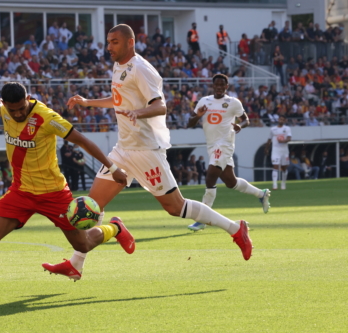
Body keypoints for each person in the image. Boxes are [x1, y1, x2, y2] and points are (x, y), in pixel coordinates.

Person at [43, 24, 253, 282]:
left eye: (115, 42)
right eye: (108, 42)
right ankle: (78, 263)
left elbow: (160, 106)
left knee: (176, 208)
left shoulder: (141, 69)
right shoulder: (119, 65)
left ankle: (236, 229)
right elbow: (120, 100)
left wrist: (138, 113)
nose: (109, 47)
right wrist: (88, 102)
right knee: (93, 205)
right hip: (122, 150)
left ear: (130, 42)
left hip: (145, 151)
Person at [0, 82, 133, 305]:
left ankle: (116, 227)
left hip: (54, 193)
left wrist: (113, 169)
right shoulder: (3, 109)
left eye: (21, 108)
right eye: (12, 109)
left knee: (82, 245)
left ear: (28, 99)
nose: (17, 113)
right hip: (20, 191)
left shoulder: (47, 117)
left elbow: (82, 141)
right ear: (5, 104)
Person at [186, 74, 270, 231]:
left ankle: (202, 219)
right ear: (213, 86)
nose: (219, 87)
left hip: (224, 145)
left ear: (226, 87)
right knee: (231, 182)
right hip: (212, 146)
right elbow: (189, 124)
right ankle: (262, 194)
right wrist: (198, 116)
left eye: (222, 85)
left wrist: (240, 126)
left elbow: (246, 119)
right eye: (216, 85)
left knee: (210, 177)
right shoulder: (204, 101)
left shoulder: (233, 102)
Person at [264, 115, 292, 190]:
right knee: (275, 166)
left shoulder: (287, 129)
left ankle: (283, 183)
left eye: (283, 119)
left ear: (285, 121)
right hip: (275, 150)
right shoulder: (273, 129)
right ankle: (275, 185)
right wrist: (266, 148)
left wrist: (283, 141)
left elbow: (289, 138)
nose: (281, 120)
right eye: (280, 119)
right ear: (278, 120)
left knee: (284, 168)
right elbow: (269, 139)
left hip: (284, 151)